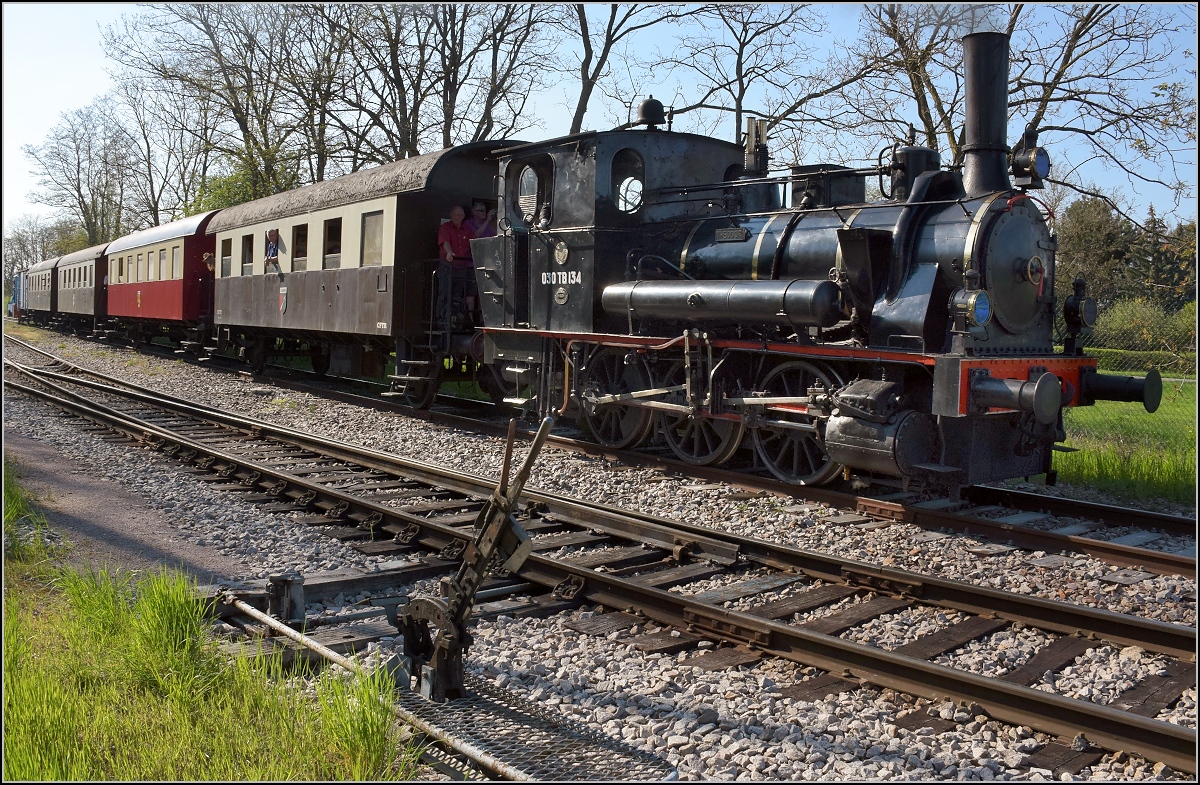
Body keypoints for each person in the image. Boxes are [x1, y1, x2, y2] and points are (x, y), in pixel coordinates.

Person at [437, 205, 477, 313]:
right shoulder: (445, 227)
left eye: (459, 214)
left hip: (461, 267)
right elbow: (445, 243)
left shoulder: (468, 230)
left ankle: (455, 322)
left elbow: (473, 245)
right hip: (447, 266)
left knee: (458, 296)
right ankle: (442, 322)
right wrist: (449, 253)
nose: (457, 217)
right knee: (445, 294)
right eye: (455, 214)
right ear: (451, 215)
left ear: (463, 216)